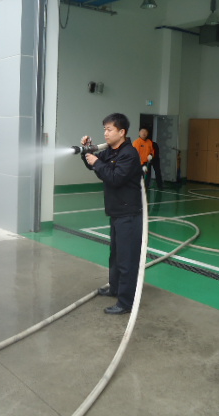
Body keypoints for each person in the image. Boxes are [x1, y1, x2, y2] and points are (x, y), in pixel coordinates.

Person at [80, 113, 143, 315]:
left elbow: (114, 178)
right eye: (104, 130)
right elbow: (95, 165)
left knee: (126, 260)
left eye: (109, 129)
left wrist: (97, 162)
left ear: (122, 132)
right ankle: (115, 288)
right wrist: (87, 151)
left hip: (128, 215)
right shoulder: (111, 151)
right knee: (115, 256)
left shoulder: (129, 154)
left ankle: (125, 302)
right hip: (117, 213)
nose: (105, 134)